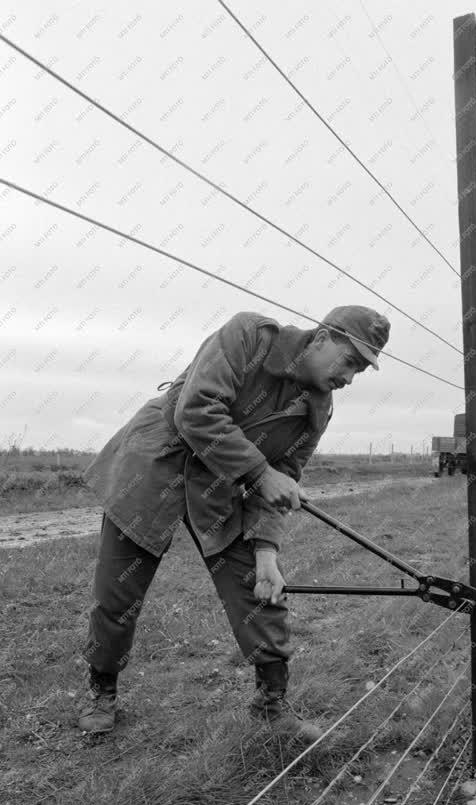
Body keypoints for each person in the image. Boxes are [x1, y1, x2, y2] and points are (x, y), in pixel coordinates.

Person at [79, 304, 391, 740]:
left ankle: (271, 704)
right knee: (117, 592)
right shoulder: (249, 336)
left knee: (260, 591)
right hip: (153, 468)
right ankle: (103, 691)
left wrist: (267, 554)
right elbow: (198, 410)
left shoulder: (318, 408)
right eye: (350, 361)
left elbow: (286, 477)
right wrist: (261, 473)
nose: (349, 378)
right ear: (322, 338)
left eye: (360, 370)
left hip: (221, 488)